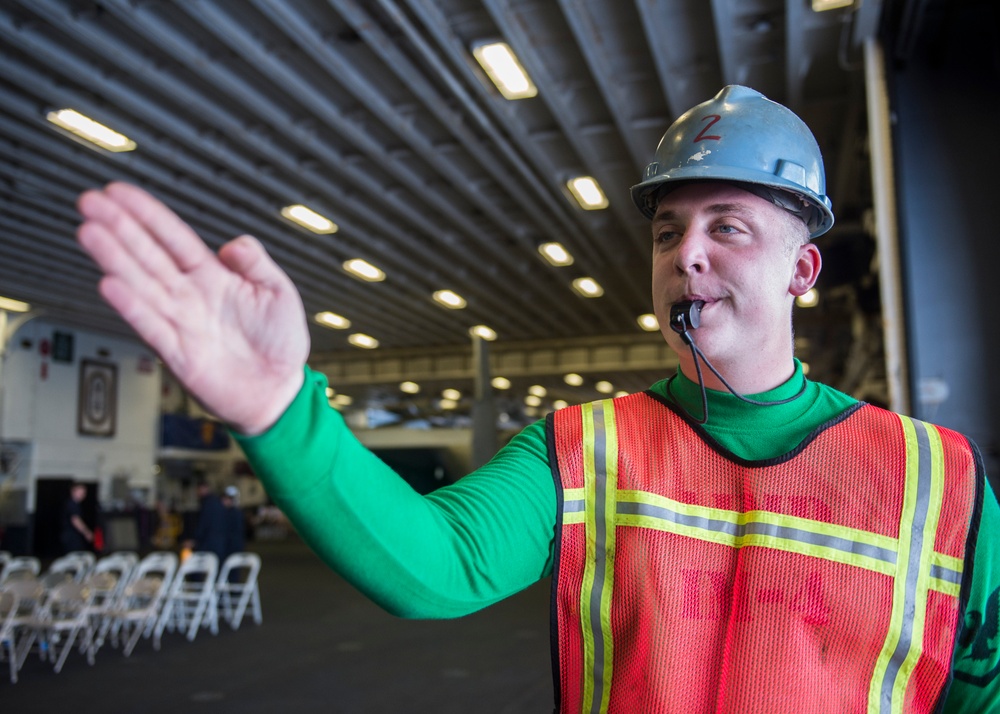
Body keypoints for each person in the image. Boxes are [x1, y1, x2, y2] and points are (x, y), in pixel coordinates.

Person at [75, 86, 998, 712]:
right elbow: (433, 566)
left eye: (729, 228)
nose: (689, 255)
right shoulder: (584, 448)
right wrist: (281, 411)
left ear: (802, 269)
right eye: (669, 232)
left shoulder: (937, 479)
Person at [60, 482, 93, 554]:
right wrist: (86, 532)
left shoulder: (74, 504)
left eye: (84, 493)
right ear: (73, 491)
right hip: (71, 537)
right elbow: (75, 520)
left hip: (72, 536)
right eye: (81, 492)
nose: (83, 495)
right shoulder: (72, 504)